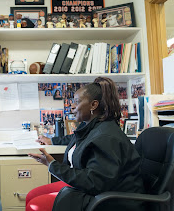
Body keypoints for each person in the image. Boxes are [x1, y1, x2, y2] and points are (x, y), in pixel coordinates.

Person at [27, 77, 145, 211]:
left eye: (76, 102)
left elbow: (95, 182)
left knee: (35, 205)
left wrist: (52, 165)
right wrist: (53, 142)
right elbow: (75, 139)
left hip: (111, 200)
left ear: (93, 105)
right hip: (92, 189)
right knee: (31, 195)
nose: (72, 106)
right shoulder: (90, 127)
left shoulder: (105, 137)